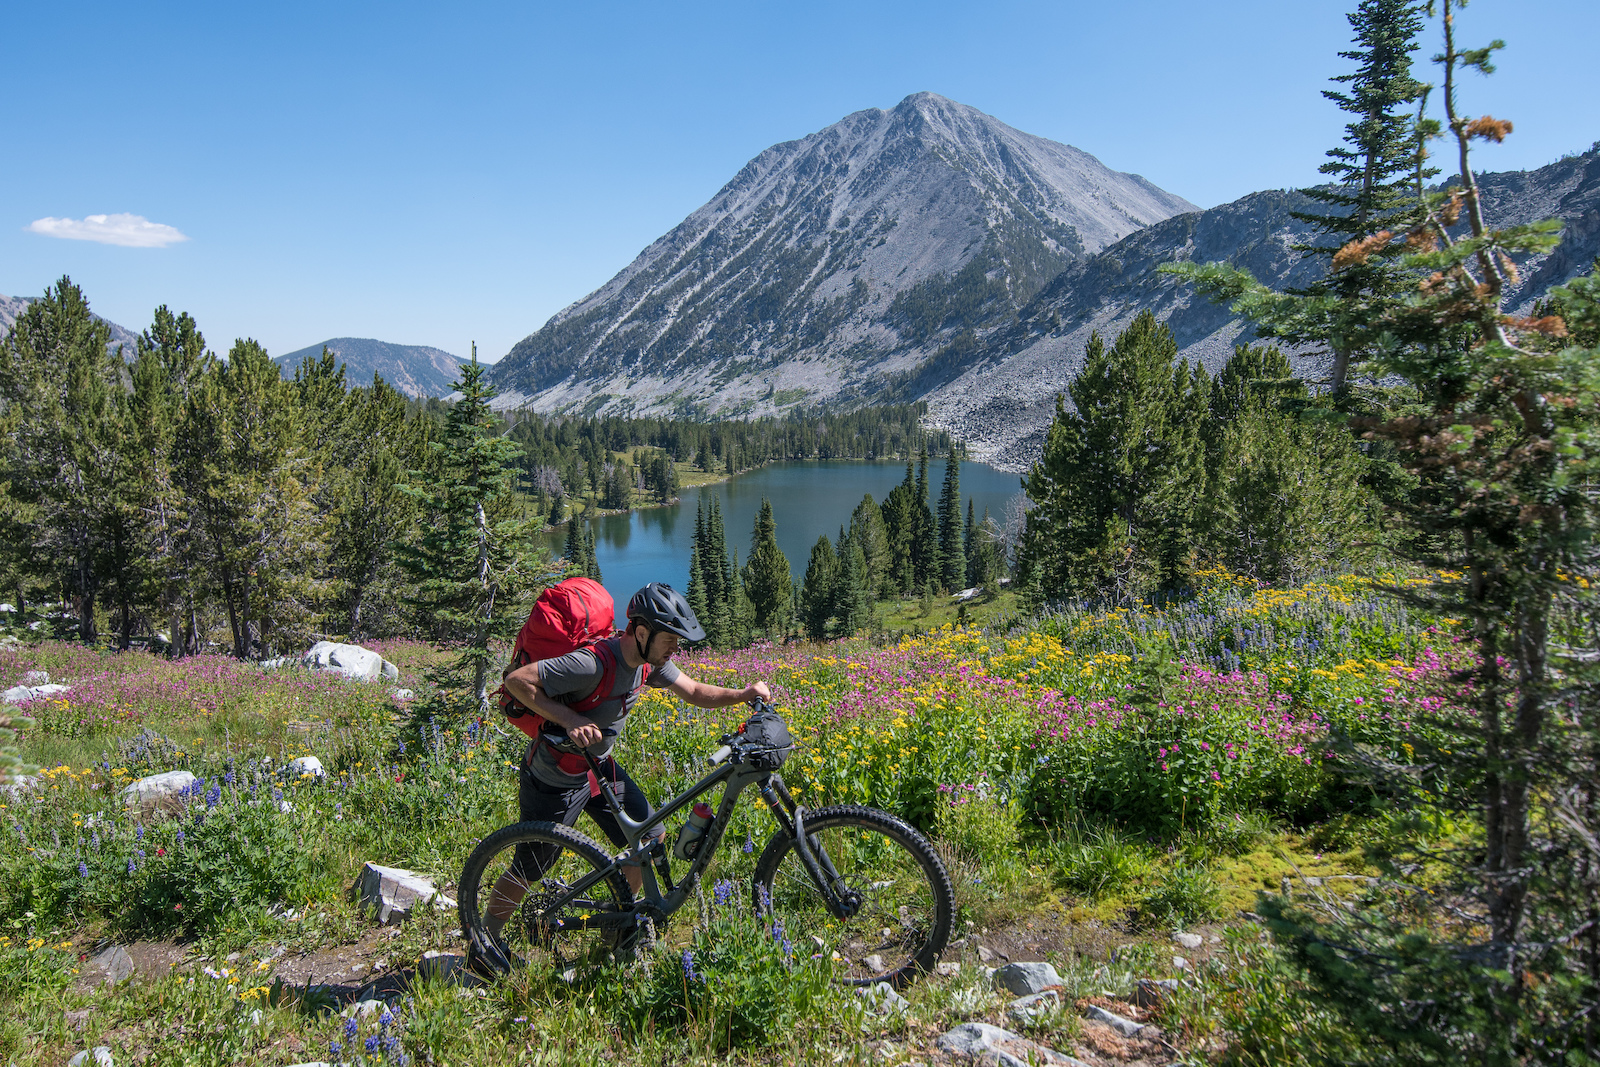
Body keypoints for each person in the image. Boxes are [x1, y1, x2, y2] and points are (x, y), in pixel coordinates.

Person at [484, 582, 769, 939]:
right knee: (530, 868)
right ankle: (485, 939)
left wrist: (744, 694)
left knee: (650, 839)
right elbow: (516, 681)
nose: (675, 649)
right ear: (641, 632)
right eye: (670, 639)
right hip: (555, 775)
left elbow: (694, 691)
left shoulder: (649, 663)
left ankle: (616, 924)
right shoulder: (591, 664)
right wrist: (570, 720)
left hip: (596, 768)